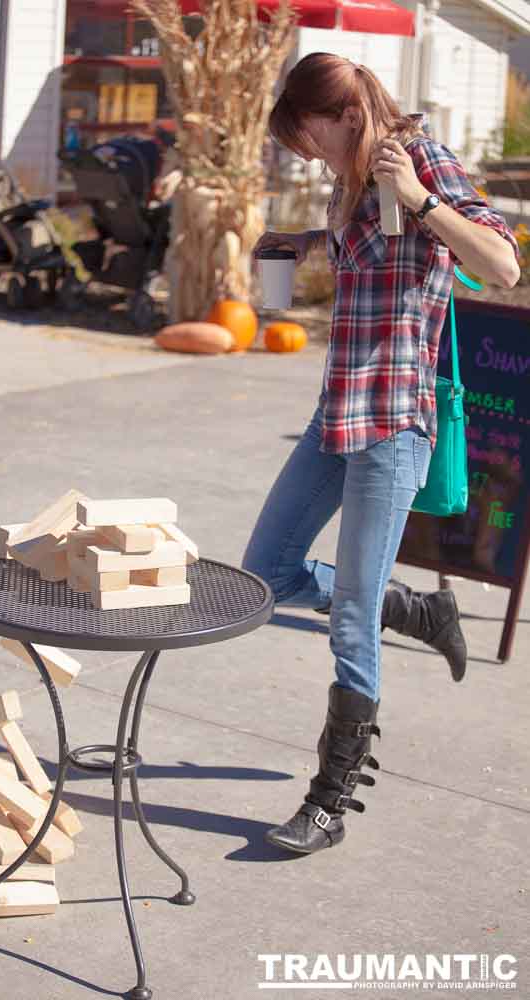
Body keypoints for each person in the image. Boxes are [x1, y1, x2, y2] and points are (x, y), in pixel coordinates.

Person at [242, 52, 521, 857]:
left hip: (395, 422)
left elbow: (500, 264)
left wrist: (422, 200)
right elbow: (374, 257)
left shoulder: (415, 159)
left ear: (343, 116)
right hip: (335, 414)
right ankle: (416, 610)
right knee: (265, 573)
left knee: (350, 621)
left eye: (308, 136)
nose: (306, 153)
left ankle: (327, 803)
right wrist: (304, 240)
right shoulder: (351, 176)